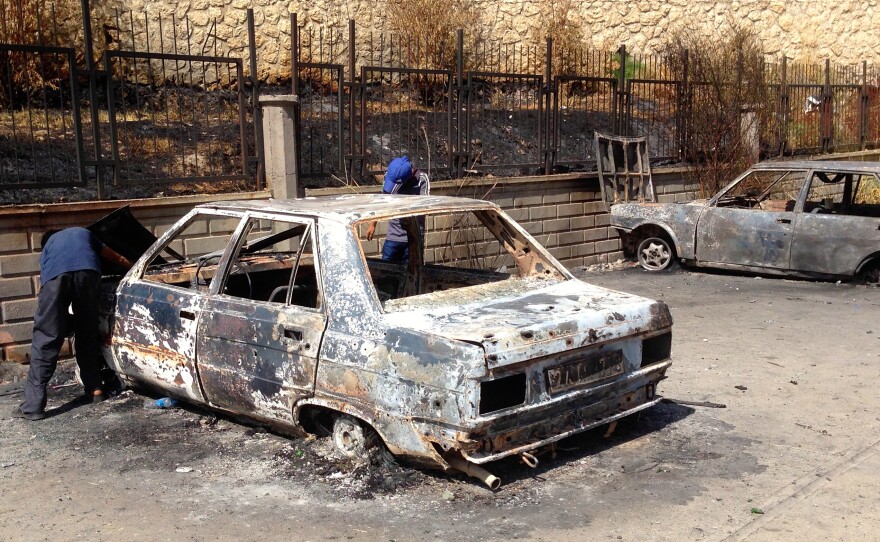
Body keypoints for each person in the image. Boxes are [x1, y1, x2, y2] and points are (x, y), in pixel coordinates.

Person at [12, 227, 132, 421]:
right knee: (87, 332)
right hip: (89, 274)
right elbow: (116, 258)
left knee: (46, 337)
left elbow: (46, 285)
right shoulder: (83, 233)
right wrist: (139, 269)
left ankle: (33, 406)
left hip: (56, 280)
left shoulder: (49, 246)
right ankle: (95, 390)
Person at [365, 156, 430, 263]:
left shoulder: (421, 179)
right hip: (393, 237)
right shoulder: (391, 176)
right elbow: (383, 199)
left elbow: (426, 206)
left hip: (413, 239)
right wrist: (373, 223)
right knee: (387, 272)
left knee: (410, 274)